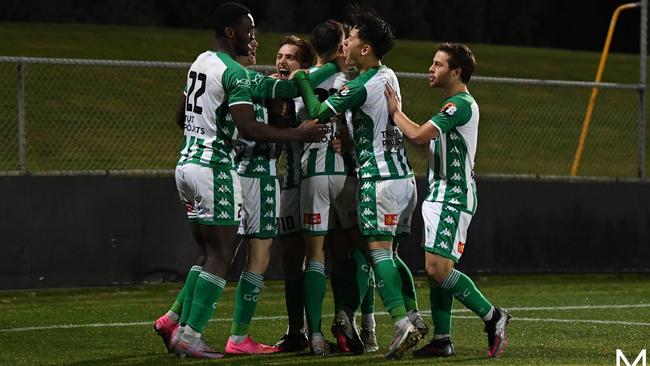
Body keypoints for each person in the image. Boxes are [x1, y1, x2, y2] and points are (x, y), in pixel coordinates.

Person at [153, 2, 326, 360]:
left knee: (208, 252)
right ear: (231, 32)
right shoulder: (236, 74)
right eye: (249, 30)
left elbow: (180, 114)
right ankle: (195, 336)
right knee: (225, 255)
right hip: (219, 168)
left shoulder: (200, 61)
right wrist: (299, 133)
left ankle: (179, 325)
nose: (254, 38)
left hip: (187, 163)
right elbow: (249, 125)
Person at [292, 8, 421, 359]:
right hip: (403, 176)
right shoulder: (387, 75)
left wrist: (302, 79)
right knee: (389, 254)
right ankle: (412, 315)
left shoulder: (361, 85)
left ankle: (400, 323)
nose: (345, 44)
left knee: (377, 252)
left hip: (378, 179)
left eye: (351, 40)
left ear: (365, 49)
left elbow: (319, 113)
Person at [384, 42, 511, 358]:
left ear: (456, 72)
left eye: (438, 64)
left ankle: (493, 316)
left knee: (439, 269)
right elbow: (426, 145)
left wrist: (395, 111)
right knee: (436, 269)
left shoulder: (459, 105)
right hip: (440, 196)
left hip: (452, 199)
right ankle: (442, 339)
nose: (431, 68)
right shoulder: (450, 107)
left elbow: (416, 135)